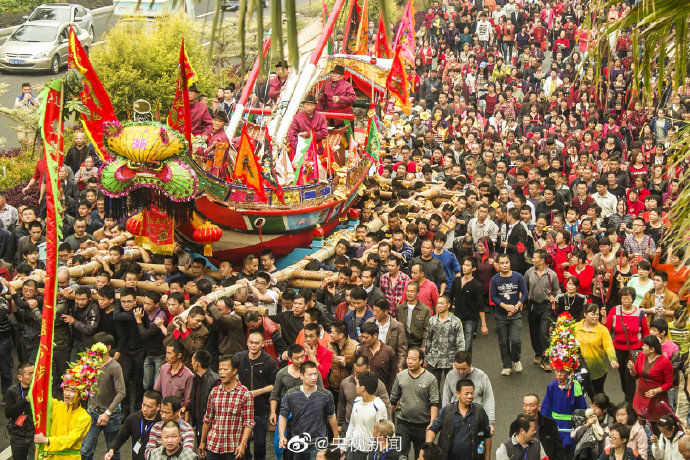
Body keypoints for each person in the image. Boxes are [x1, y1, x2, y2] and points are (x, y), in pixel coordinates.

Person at [34, 343, 108, 460]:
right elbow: (41, 398)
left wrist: (46, 440)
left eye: (73, 391)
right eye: (66, 389)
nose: (67, 394)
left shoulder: (84, 417)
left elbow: (70, 439)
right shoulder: (56, 405)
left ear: (81, 395)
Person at [278, 361, 339, 460]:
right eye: (310, 375)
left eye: (315, 374)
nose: (314, 377)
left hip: (318, 443)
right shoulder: (291, 394)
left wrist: (336, 436)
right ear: (301, 376)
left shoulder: (326, 395)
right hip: (298, 442)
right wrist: (281, 436)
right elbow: (283, 416)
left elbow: (331, 416)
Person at [199, 354, 255, 460]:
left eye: (225, 369)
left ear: (234, 371)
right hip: (214, 446)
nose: (222, 372)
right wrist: (202, 442)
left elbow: (249, 423)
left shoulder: (245, 394)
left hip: (233, 448)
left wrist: (243, 444)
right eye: (220, 369)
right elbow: (207, 419)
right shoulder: (214, 392)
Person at [80, 333, 126, 460]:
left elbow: (122, 392)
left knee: (113, 452)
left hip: (111, 415)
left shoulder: (115, 367)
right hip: (92, 412)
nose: (96, 349)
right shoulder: (92, 363)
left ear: (109, 347)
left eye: (99, 346)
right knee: (85, 450)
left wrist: (107, 413)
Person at [390, 348, 440, 460]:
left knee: (421, 455)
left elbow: (434, 403)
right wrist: (388, 417)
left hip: (422, 425)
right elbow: (393, 399)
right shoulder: (401, 376)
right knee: (400, 455)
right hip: (403, 423)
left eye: (413, 359)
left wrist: (432, 424)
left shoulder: (430, 379)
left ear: (421, 361)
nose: (409, 361)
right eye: (408, 358)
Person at [236, 331, 279, 460]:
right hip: (242, 408)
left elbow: (274, 385)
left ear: (262, 344)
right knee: (244, 442)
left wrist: (257, 392)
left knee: (260, 443)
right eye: (251, 343)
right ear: (247, 342)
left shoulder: (269, 361)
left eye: (257, 343)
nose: (253, 346)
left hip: (261, 408)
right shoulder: (239, 358)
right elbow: (231, 374)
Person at [426, 378, 492, 460]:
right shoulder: (447, 410)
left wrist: (487, 457)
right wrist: (428, 448)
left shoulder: (479, 411)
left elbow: (487, 436)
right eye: (466, 394)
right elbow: (432, 429)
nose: (470, 396)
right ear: (458, 394)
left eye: (472, 393)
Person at [606, 287, 650, 403]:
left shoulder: (640, 313)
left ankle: (630, 402)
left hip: (635, 348)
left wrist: (645, 347)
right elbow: (606, 329)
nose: (626, 300)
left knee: (630, 375)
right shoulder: (614, 311)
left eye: (628, 298)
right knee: (621, 375)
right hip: (619, 348)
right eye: (623, 298)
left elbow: (645, 332)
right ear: (620, 299)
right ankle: (628, 395)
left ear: (633, 299)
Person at [490, 253, 529, 376]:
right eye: (502, 263)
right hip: (501, 315)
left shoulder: (518, 277)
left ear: (510, 263)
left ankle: (516, 359)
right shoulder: (495, 279)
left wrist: (516, 306)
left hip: (516, 314)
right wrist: (505, 306)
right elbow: (493, 296)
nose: (505, 265)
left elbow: (525, 293)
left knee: (515, 340)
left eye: (507, 262)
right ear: (498, 264)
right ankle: (506, 365)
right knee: (503, 342)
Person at [524, 250, 561, 371]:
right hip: (533, 306)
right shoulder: (529, 272)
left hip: (546, 307)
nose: (532, 259)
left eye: (535, 258)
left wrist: (554, 298)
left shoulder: (552, 274)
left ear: (542, 260)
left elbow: (557, 291)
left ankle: (546, 359)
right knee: (534, 332)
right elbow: (524, 288)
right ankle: (538, 353)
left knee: (544, 332)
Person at [442, 351, 496, 432]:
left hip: (476, 420)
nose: (461, 372)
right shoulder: (450, 375)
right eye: (458, 369)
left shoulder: (482, 377)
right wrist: (445, 419)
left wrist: (490, 423)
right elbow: (446, 398)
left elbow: (488, 400)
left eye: (464, 369)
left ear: (470, 365)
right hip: (455, 421)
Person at [337, 356, 391, 435]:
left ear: (368, 369)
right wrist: (339, 423)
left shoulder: (378, 385)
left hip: (370, 426)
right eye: (356, 372)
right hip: (349, 424)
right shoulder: (345, 383)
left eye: (361, 373)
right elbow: (341, 404)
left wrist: (387, 427)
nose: (358, 376)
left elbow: (386, 406)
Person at [575, 303, 619, 396]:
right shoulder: (576, 327)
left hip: (597, 369)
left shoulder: (603, 330)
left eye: (597, 314)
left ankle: (606, 408)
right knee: (578, 392)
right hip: (578, 367)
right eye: (593, 314)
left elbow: (608, 345)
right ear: (585, 314)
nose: (596, 317)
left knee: (597, 394)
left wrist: (613, 359)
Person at [342, 371, 388, 460]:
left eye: (357, 384)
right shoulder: (357, 401)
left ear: (363, 388)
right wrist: (344, 446)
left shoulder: (379, 406)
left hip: (368, 452)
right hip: (353, 449)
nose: (356, 386)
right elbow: (352, 425)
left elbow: (381, 433)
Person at [105, 390, 162, 460]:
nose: (144, 409)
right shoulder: (133, 418)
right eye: (143, 405)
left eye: (149, 407)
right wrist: (112, 450)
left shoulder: (162, 422)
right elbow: (121, 436)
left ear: (158, 407)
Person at [628, 335, 673, 421]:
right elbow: (636, 375)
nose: (642, 347)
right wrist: (632, 369)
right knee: (639, 421)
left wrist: (655, 391)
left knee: (654, 423)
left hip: (656, 398)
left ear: (652, 349)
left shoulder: (665, 362)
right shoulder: (641, 355)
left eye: (645, 346)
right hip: (640, 395)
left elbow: (669, 383)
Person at [448, 257, 487, 353]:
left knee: (467, 347)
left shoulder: (476, 285)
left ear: (473, 269)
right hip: (456, 318)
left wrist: (483, 324)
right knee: (453, 345)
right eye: (464, 265)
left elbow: (480, 306)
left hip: (470, 319)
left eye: (468, 265)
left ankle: (467, 366)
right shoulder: (457, 281)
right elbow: (449, 298)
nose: (464, 267)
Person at [424, 295, 465, 385]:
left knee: (452, 387)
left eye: (442, 303)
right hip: (434, 359)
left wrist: (459, 361)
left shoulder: (456, 321)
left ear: (448, 305)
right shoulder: (432, 320)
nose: (439, 305)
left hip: (450, 360)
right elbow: (428, 340)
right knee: (433, 388)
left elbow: (460, 343)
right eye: (438, 303)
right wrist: (426, 358)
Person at [355, 320, 400, 392]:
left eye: (366, 338)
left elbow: (394, 375)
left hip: (383, 392)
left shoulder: (388, 351)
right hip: (364, 392)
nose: (363, 340)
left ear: (375, 335)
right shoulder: (361, 350)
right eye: (362, 337)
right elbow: (355, 371)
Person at [364, 299, 407, 371]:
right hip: (370, 362)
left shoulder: (397, 326)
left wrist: (399, 366)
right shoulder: (369, 322)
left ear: (386, 312)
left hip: (389, 364)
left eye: (377, 311)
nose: (374, 313)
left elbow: (402, 349)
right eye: (374, 310)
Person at [5, 362, 35, 460]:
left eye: (34, 373)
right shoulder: (12, 390)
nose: (33, 376)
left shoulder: (40, 389)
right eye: (30, 373)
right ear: (20, 377)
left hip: (35, 436)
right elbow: (8, 413)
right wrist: (25, 400)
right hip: (18, 436)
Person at [522, 394, 565, 459]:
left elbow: (559, 450)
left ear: (538, 407)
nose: (527, 409)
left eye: (531, 406)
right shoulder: (517, 425)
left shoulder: (550, 424)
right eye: (525, 405)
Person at [154, 342, 194, 412]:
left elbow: (187, 401)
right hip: (163, 412)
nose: (166, 356)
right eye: (166, 353)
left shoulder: (188, 375)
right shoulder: (163, 368)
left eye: (170, 353)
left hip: (178, 414)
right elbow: (157, 390)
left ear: (179, 355)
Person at [189, 351, 220, 441]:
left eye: (192, 361)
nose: (191, 364)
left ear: (197, 364)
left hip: (211, 425)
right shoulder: (196, 379)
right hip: (199, 422)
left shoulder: (215, 381)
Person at [396, 282, 431, 348]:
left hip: (418, 344)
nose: (409, 294)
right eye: (408, 291)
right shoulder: (400, 308)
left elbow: (427, 330)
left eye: (412, 291)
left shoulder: (425, 309)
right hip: (402, 344)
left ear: (417, 294)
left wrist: (424, 346)